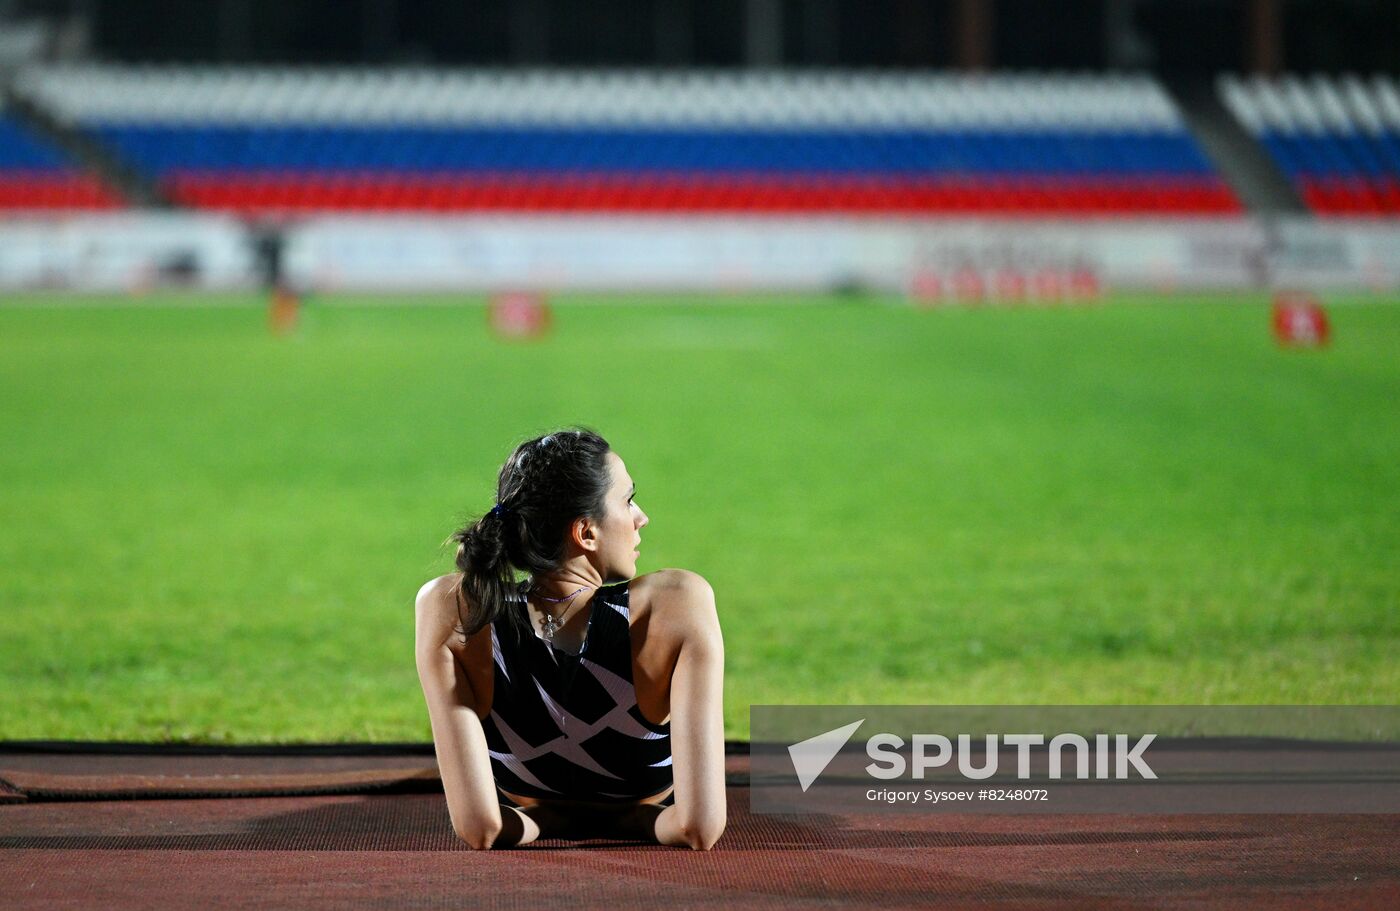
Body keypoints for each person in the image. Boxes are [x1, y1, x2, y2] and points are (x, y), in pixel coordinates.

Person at [414, 429, 726, 850]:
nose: (641, 518)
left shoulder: (453, 608)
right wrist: (632, 819)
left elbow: (481, 828)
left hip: (523, 812)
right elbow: (699, 827)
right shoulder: (675, 604)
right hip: (652, 810)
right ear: (586, 532)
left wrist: (549, 820)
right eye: (628, 500)